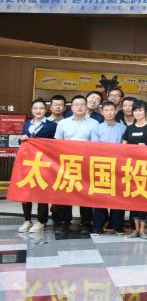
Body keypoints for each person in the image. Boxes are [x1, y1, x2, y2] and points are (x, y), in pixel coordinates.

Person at [53, 95, 98, 234]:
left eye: (82, 104)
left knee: (85, 193)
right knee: (65, 193)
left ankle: (86, 223)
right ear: (71, 107)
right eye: (76, 104)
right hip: (67, 163)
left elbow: (96, 146)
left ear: (86, 107)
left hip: (86, 164)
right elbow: (57, 144)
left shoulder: (94, 124)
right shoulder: (63, 123)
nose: (79, 107)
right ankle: (64, 223)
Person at [18, 98, 57, 233]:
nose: (38, 111)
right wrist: (21, 139)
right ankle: (27, 220)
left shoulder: (52, 125)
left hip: (43, 162)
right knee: (26, 191)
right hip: (27, 162)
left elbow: (55, 144)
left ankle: (41, 221)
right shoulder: (27, 124)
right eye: (35, 108)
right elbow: (22, 142)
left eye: (41, 108)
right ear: (31, 110)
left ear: (46, 110)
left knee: (42, 191)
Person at [89, 101, 127, 236]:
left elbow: (126, 147)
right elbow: (94, 147)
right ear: (102, 112)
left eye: (112, 110)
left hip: (118, 166)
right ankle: (98, 226)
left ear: (116, 111)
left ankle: (117, 226)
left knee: (118, 196)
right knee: (100, 196)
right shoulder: (97, 128)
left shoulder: (123, 128)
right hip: (102, 165)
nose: (109, 113)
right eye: (106, 110)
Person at [121, 100, 147, 238]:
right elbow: (123, 147)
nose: (138, 113)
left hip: (146, 169)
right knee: (133, 199)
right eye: (135, 110)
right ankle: (135, 229)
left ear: (145, 111)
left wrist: (146, 149)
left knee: (143, 198)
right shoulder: (129, 128)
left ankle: (142, 229)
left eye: (140, 110)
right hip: (131, 169)